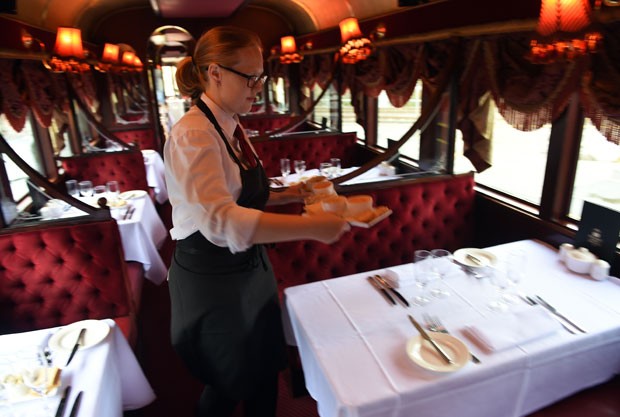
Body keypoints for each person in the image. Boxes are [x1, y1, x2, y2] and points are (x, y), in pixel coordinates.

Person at [164, 26, 350, 417]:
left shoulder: (232, 123)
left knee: (265, 370)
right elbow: (220, 221)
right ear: (215, 73)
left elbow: (247, 194)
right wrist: (313, 227)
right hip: (212, 278)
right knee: (228, 383)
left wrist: (297, 193)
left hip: (250, 268)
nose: (258, 88)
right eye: (251, 78)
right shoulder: (193, 135)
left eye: (261, 78)